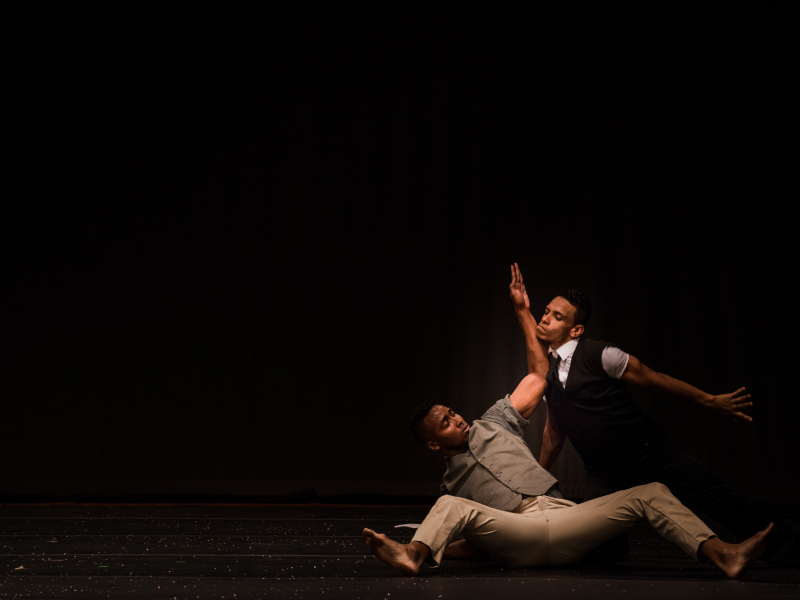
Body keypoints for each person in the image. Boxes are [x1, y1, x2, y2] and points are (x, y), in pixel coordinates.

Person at [508, 263, 797, 564]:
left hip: (648, 453)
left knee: (719, 497)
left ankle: (789, 547)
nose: (545, 318)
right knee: (591, 541)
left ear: (576, 329)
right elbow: (554, 431)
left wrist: (711, 400)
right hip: (605, 472)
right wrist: (538, 479)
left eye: (557, 316)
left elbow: (656, 379)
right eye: (546, 311)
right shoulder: (549, 375)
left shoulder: (601, 354)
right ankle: (613, 546)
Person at [363, 482, 773, 579]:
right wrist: (450, 551)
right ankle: (412, 555)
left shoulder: (497, 431)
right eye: (447, 422)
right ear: (434, 442)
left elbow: (536, 377)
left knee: (651, 491)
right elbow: (466, 535)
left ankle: (725, 555)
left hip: (566, 518)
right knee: (451, 507)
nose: (458, 419)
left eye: (455, 414)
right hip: (517, 531)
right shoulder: (454, 484)